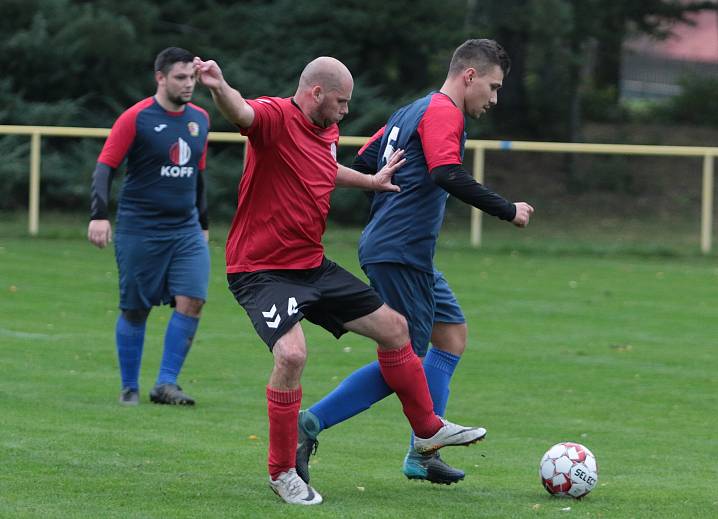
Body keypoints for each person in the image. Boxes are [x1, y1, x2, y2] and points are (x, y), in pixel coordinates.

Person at [192, 54, 487, 506]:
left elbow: (324, 169)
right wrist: (217, 86)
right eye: (341, 102)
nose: (346, 112)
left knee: (396, 329)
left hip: (312, 265)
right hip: (261, 270)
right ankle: (281, 471)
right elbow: (241, 112)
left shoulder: (324, 130)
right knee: (291, 355)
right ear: (316, 94)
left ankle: (427, 431)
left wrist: (371, 181)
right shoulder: (274, 117)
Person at [297, 39, 534, 485]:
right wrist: (508, 209)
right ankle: (309, 424)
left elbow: (368, 159)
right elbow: (445, 171)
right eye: (493, 86)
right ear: (469, 76)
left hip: (405, 250)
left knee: (451, 336)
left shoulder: (411, 111)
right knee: (405, 357)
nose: (495, 98)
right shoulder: (445, 111)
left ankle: (424, 455)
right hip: (399, 250)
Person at [87, 47, 211, 407]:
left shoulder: (201, 119)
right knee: (135, 309)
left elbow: (198, 176)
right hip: (139, 228)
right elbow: (105, 166)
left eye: (193, 77)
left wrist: (203, 223)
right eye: (181, 78)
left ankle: (166, 385)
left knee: (193, 299)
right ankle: (129, 388)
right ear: (160, 78)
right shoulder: (136, 118)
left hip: (186, 229)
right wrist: (98, 215)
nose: (189, 84)